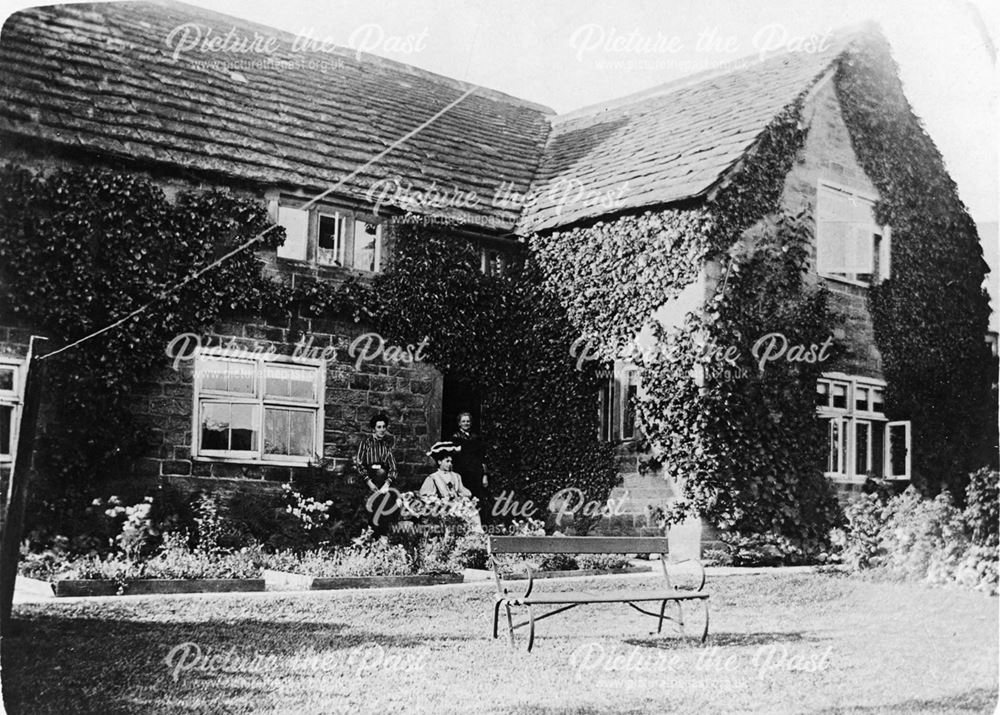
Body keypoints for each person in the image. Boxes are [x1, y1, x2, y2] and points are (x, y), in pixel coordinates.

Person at [420, 441, 482, 532]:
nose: (450, 464)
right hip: (442, 506)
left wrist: (466, 495)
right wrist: (436, 500)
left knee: (471, 510)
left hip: (456, 504)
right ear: (439, 461)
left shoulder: (456, 476)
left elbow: (462, 491)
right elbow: (425, 495)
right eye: (447, 461)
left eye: (451, 461)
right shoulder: (433, 477)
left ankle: (476, 534)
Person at [354, 412, 398, 534]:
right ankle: (369, 534)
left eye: (384, 427)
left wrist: (387, 484)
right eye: (379, 427)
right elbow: (359, 464)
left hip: (382, 481)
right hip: (369, 479)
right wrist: (368, 481)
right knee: (369, 506)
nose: (382, 430)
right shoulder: (366, 443)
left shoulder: (386, 446)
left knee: (387, 503)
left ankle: (382, 534)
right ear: (373, 428)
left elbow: (393, 468)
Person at [451, 412, 492, 525]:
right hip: (463, 473)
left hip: (476, 472)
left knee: (478, 498)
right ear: (459, 423)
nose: (466, 423)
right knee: (464, 498)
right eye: (463, 421)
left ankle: (480, 525)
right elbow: (454, 456)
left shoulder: (476, 438)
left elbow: (482, 457)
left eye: (468, 421)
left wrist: (485, 475)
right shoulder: (455, 437)